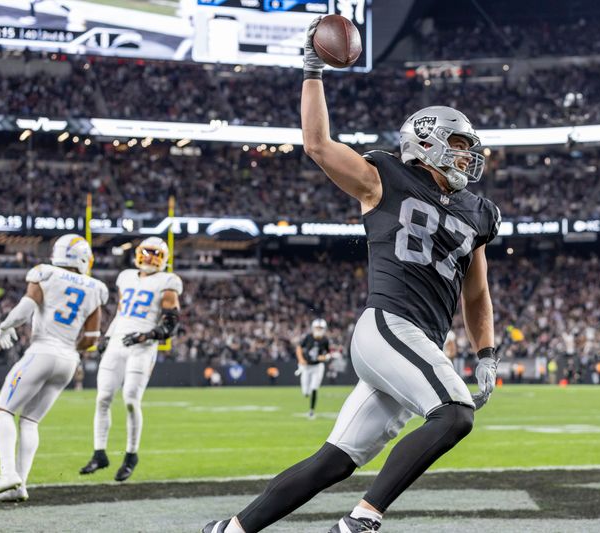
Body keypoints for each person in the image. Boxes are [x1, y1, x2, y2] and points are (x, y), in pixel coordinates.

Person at [202, 16, 501, 533]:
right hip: (387, 324)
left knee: (334, 460)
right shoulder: (385, 176)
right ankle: (361, 518)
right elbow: (318, 146)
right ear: (427, 143)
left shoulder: (478, 211)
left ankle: (230, 529)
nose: (466, 155)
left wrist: (487, 353)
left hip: (420, 340)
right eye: (457, 144)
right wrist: (312, 70)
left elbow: (478, 293)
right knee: (454, 414)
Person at [0, 234, 107, 502]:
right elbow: (92, 340)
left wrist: (6, 324)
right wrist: (68, 345)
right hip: (69, 360)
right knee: (30, 420)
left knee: (3, 411)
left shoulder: (45, 273)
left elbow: (27, 305)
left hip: (42, 351)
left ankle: (7, 474)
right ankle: (19, 486)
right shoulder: (96, 288)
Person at [79, 237, 182, 482]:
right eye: (146, 252)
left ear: (163, 258)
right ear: (137, 253)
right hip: (117, 342)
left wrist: (145, 335)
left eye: (155, 253)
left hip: (142, 348)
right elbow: (122, 312)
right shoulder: (125, 277)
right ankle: (99, 453)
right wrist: (108, 335)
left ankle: (131, 455)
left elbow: (171, 325)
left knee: (130, 400)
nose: (149, 257)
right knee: (102, 397)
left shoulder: (168, 281)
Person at [295, 318, 331, 419]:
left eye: (320, 328)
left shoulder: (325, 340)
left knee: (314, 388)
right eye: (317, 327)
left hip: (317, 366)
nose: (319, 330)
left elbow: (329, 354)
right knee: (306, 392)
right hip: (306, 367)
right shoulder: (308, 337)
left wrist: (324, 357)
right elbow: (299, 348)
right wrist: (301, 359)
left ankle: (311, 411)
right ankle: (307, 394)